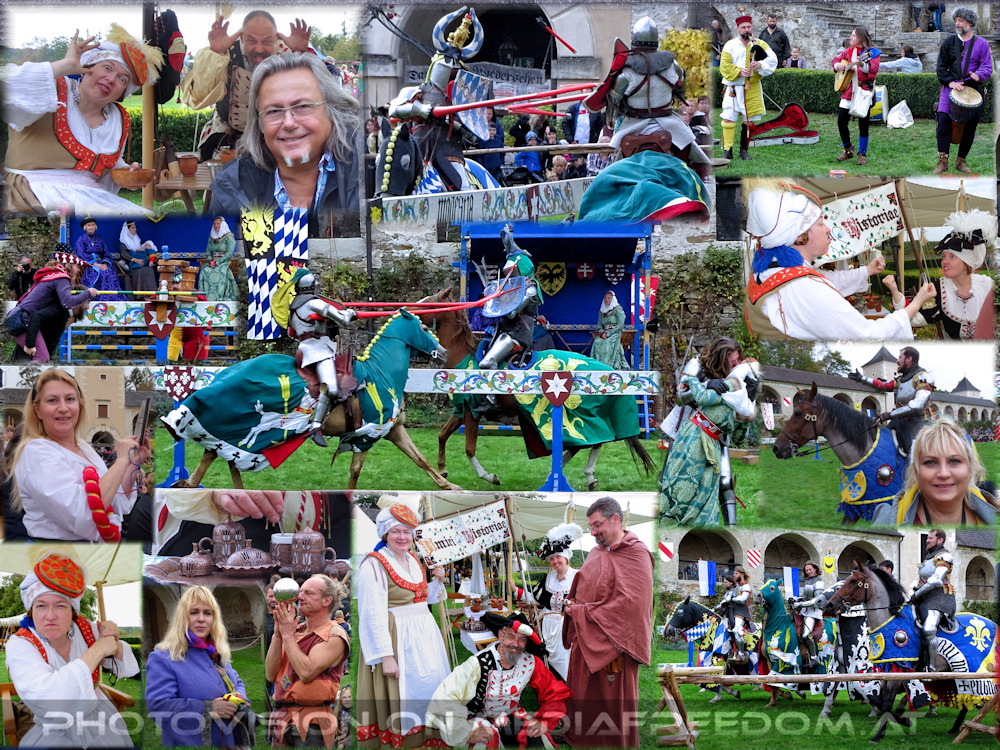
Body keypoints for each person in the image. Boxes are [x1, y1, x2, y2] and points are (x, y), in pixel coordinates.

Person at [743, 184, 937, 340]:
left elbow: (827, 280)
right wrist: (917, 302)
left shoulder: (775, 268)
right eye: (820, 223)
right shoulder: (803, 287)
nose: (828, 229)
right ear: (800, 236)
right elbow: (869, 335)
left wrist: (867, 271)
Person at [3, 27, 159, 217]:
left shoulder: (118, 119)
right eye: (107, 67)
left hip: (91, 199)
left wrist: (125, 173)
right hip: (28, 195)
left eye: (122, 79)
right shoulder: (50, 90)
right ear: (87, 67)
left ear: (123, 92)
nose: (111, 79)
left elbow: (101, 172)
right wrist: (65, 65)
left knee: (148, 224)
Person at [208, 52, 362, 239]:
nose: (289, 123)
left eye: (303, 106)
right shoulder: (232, 188)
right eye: (273, 111)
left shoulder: (363, 171)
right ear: (259, 123)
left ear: (331, 110)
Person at [6, 551, 139, 747]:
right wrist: (96, 651)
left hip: (99, 716)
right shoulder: (20, 644)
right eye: (41, 606)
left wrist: (115, 644)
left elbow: (125, 666)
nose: (50, 616)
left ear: (73, 611)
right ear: (31, 610)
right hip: (51, 727)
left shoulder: (86, 629)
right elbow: (51, 703)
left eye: (60, 606)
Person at [6, 368, 144, 541]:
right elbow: (84, 514)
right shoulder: (35, 451)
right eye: (52, 400)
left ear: (80, 405)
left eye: (70, 399)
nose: (63, 408)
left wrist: (132, 463)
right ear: (37, 410)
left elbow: (117, 502)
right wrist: (121, 460)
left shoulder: (84, 448)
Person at [356, 504, 450, 748]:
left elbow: (422, 599)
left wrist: (437, 582)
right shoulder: (373, 564)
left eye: (407, 532)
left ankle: (429, 737)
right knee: (406, 694)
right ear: (385, 534)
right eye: (395, 531)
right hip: (397, 640)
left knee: (429, 687)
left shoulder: (413, 560)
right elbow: (371, 614)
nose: (402, 537)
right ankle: (407, 740)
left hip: (424, 639)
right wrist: (386, 657)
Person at [562, 496, 653, 748]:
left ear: (615, 520)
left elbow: (632, 606)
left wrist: (580, 611)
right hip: (585, 638)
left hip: (615, 645)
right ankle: (581, 737)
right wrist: (573, 605)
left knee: (613, 702)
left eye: (597, 525)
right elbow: (585, 585)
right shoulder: (596, 552)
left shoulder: (637, 554)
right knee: (582, 695)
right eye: (590, 526)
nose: (592, 532)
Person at [181, 11, 314, 160]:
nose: (259, 49)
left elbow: (315, 100)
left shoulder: (288, 53)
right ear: (242, 38)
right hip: (228, 138)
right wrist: (216, 53)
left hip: (277, 139)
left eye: (266, 42)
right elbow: (199, 96)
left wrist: (300, 54)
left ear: (276, 38)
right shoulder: (225, 52)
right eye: (252, 41)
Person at [426, 612, 572, 747]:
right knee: (486, 743)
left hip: (510, 715)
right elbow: (444, 699)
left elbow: (554, 691)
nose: (516, 644)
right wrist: (467, 732)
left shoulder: (530, 662)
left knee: (539, 742)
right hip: (478, 717)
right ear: (501, 635)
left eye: (522, 639)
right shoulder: (478, 663)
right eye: (511, 636)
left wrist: (545, 722)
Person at [660, 338, 758, 526]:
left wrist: (749, 397)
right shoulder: (696, 365)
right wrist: (706, 385)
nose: (736, 365)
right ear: (720, 358)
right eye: (732, 361)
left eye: (738, 361)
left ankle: (731, 529)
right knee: (673, 480)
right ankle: (670, 520)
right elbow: (680, 397)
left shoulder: (738, 377)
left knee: (725, 483)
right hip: (689, 427)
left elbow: (740, 417)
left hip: (718, 434)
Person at [146, 586, 254, 747]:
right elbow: (157, 705)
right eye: (194, 612)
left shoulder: (215, 652)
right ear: (183, 617)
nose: (201, 619)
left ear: (214, 619)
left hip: (231, 741)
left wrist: (239, 700)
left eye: (207, 613)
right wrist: (208, 708)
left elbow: (236, 681)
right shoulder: (163, 658)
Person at [271, 267, 357, 446]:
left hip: (307, 347)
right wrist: (350, 313)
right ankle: (315, 426)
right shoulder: (313, 304)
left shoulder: (295, 305)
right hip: (317, 351)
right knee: (331, 389)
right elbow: (344, 320)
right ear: (312, 285)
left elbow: (309, 328)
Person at [266, 574, 351, 748]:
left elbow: (306, 672)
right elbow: (270, 674)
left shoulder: (334, 635)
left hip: (312, 723)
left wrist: (287, 636)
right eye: (301, 592)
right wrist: (277, 635)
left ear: (326, 600)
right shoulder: (295, 630)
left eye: (309, 593)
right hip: (281, 718)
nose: (300, 597)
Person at [891, 210, 996, 339]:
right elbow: (914, 319)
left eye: (952, 256)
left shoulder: (987, 285)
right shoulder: (939, 289)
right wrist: (894, 291)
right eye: (944, 256)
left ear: (967, 263)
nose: (944, 262)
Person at [872, 419, 996, 525]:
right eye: (930, 462)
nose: (943, 473)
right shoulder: (885, 521)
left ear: (969, 469)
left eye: (954, 461)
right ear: (916, 472)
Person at [509, 522, 582, 681]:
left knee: (565, 662)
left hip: (566, 628)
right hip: (546, 627)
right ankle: (552, 688)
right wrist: (516, 590)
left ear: (566, 557)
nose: (555, 561)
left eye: (558, 557)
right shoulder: (549, 578)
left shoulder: (577, 577)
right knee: (547, 660)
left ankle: (567, 688)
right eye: (552, 559)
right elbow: (534, 598)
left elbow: (585, 603)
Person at [8, 248, 96, 363]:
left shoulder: (52, 275)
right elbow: (67, 302)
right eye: (77, 266)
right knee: (42, 357)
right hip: (23, 320)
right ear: (69, 264)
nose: (79, 269)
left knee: (35, 359)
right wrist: (88, 293)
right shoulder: (61, 277)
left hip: (19, 317)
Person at [933, 7, 993, 174]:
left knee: (969, 128)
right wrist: (950, 82)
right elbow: (941, 68)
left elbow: (987, 67)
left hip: (972, 91)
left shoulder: (982, 44)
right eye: (956, 20)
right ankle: (942, 162)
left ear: (970, 23)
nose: (957, 24)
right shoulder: (948, 43)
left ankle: (961, 161)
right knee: (942, 125)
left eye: (961, 20)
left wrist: (979, 75)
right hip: (949, 90)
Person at [847, 346, 935, 456]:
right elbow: (884, 385)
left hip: (920, 425)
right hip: (900, 421)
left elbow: (917, 406)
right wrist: (862, 378)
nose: (897, 361)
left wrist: (890, 414)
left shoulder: (923, 377)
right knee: (880, 443)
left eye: (900, 358)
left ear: (909, 359)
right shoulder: (902, 379)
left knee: (914, 456)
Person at [479, 225, 541, 369]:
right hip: (502, 328)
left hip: (518, 332)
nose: (508, 275)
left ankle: (491, 377)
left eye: (510, 271)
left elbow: (511, 312)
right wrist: (490, 295)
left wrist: (501, 298)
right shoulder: (511, 287)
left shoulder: (530, 290)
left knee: (488, 361)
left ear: (521, 268)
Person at [720, 15, 778, 160]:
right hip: (733, 88)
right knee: (728, 119)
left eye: (749, 27)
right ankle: (727, 150)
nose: (746, 30)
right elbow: (724, 66)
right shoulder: (730, 45)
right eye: (743, 27)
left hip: (752, 87)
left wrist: (760, 65)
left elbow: (773, 60)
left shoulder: (760, 44)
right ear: (738, 29)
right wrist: (739, 71)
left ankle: (744, 150)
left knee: (748, 121)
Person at [832, 27, 879, 166]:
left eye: (853, 35)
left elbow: (874, 70)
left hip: (864, 91)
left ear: (861, 38)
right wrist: (838, 66)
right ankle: (848, 149)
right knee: (841, 121)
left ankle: (862, 154)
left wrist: (862, 64)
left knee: (863, 124)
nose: (850, 37)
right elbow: (835, 60)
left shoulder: (873, 52)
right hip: (849, 90)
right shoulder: (849, 51)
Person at [910, 529, 956, 668]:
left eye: (930, 538)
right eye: (927, 538)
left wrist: (917, 594)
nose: (927, 540)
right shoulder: (928, 559)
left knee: (929, 628)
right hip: (924, 597)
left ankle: (931, 667)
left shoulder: (944, 556)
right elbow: (923, 581)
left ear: (940, 540)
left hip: (940, 598)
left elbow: (936, 581)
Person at [75, 217, 126, 300]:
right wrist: (95, 264)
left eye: (93, 225)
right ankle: (99, 298)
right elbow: (81, 254)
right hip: (89, 265)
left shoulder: (99, 239)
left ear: (95, 227)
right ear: (85, 227)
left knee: (109, 272)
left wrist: (104, 264)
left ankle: (112, 298)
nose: (91, 227)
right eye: (89, 225)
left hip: (101, 263)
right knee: (101, 274)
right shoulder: (81, 239)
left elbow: (106, 253)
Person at [713, 568, 752, 664]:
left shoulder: (746, 586)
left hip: (741, 612)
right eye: (734, 573)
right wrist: (714, 609)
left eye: (736, 573)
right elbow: (725, 601)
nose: (734, 575)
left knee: (736, 631)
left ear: (742, 574)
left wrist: (731, 599)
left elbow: (743, 599)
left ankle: (741, 654)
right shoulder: (736, 588)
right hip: (732, 612)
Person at [791, 561, 825, 666]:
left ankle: (814, 658)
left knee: (806, 635)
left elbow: (816, 600)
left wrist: (800, 604)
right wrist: (795, 599)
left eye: (810, 569)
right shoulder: (807, 581)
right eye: (806, 570)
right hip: (804, 611)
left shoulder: (819, 582)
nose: (808, 572)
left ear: (815, 569)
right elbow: (805, 597)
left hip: (813, 613)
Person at [198, 217, 239, 300]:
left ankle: (219, 298)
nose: (216, 226)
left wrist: (218, 262)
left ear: (222, 224)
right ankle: (204, 298)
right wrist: (211, 261)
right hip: (212, 262)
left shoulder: (229, 237)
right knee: (204, 270)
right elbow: (208, 252)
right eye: (215, 224)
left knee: (220, 272)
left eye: (218, 224)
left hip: (223, 262)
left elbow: (229, 253)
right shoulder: (212, 237)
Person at [591, 291, 628, 369]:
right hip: (604, 333)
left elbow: (620, 325)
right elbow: (599, 325)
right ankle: (598, 366)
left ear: (613, 299)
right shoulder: (602, 311)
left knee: (607, 344)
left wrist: (609, 334)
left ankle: (608, 366)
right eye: (605, 298)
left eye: (609, 298)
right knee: (597, 342)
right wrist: (602, 333)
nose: (607, 300)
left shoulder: (618, 310)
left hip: (614, 333)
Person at [119, 221, 157, 291]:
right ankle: (141, 294)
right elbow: (123, 253)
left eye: (135, 227)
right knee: (142, 271)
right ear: (128, 230)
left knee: (149, 269)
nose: (135, 229)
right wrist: (136, 260)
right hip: (132, 265)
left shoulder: (137, 240)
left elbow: (143, 248)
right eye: (132, 228)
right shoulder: (124, 241)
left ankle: (151, 293)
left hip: (142, 263)